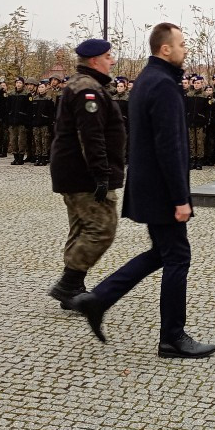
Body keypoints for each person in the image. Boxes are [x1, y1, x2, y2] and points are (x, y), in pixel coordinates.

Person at [70, 23, 215, 359]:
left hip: (150, 187)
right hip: (163, 191)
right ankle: (172, 337)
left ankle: (99, 299)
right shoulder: (163, 85)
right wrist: (181, 198)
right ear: (165, 49)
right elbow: (170, 147)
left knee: (162, 253)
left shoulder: (148, 80)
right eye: (181, 44)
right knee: (178, 257)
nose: (185, 49)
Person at [48, 39, 126, 308]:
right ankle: (68, 283)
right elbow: (91, 136)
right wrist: (102, 175)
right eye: (108, 56)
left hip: (74, 172)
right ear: (94, 61)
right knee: (102, 228)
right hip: (84, 175)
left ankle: (73, 290)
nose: (112, 60)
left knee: (82, 227)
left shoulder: (84, 85)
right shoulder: (86, 90)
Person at [184, 74, 211, 170]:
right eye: (195, 83)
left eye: (198, 83)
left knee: (199, 142)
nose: (196, 85)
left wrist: (206, 120)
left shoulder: (204, 96)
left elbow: (207, 110)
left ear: (201, 84)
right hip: (190, 121)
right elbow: (185, 108)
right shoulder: (188, 95)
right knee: (192, 141)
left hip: (200, 122)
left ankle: (199, 160)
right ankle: (193, 159)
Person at [7, 76, 32, 165]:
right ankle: (15, 157)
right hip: (12, 121)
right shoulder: (11, 94)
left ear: (23, 84)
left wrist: (27, 121)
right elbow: (8, 107)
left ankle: (21, 157)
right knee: (13, 140)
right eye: (17, 83)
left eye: (20, 83)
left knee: (21, 140)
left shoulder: (27, 94)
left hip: (22, 121)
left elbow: (29, 109)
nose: (18, 84)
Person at [30, 80, 55, 166]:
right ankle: (38, 157)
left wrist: (50, 122)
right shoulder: (35, 99)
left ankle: (44, 158)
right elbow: (32, 111)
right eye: (39, 87)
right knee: (37, 141)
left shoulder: (48, 99)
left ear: (45, 89)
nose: (40, 89)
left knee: (45, 141)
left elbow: (51, 113)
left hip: (45, 124)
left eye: (42, 87)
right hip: (36, 123)